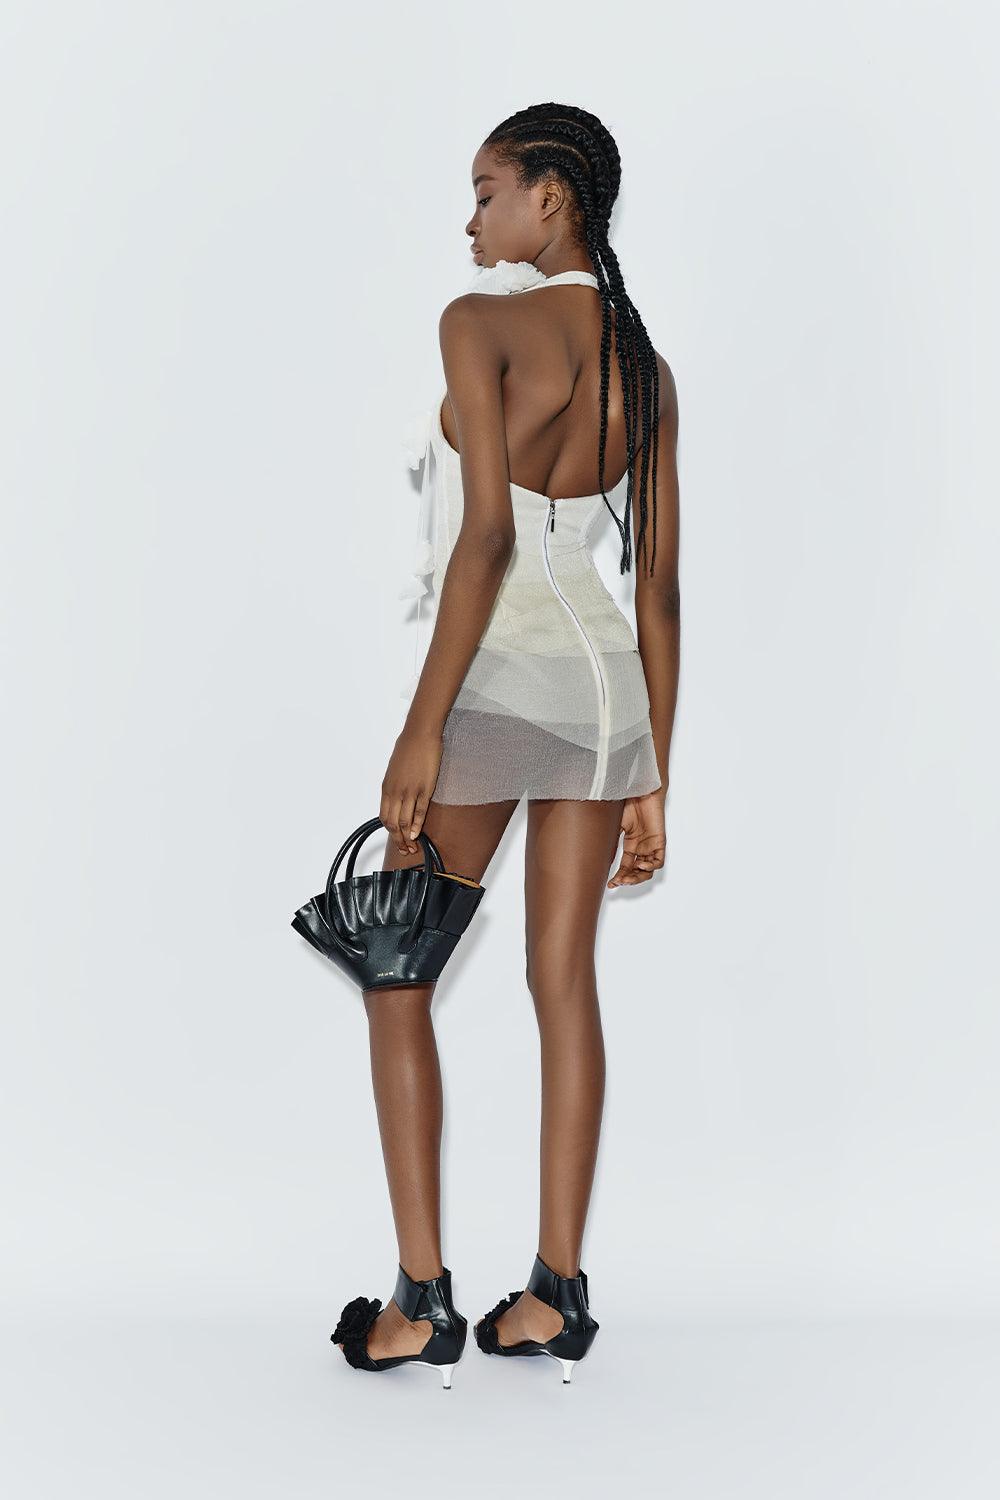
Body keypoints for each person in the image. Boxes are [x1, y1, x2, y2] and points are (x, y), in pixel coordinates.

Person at [330, 102, 680, 1386]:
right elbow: (657, 590)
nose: (470, 217)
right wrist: (651, 770)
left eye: (486, 190)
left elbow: (484, 539)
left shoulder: (476, 325)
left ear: (551, 198)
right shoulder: (645, 369)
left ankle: (419, 1301)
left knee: (396, 963)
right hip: (603, 702)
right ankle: (554, 1295)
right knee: (561, 980)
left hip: (494, 688)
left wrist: (419, 731)